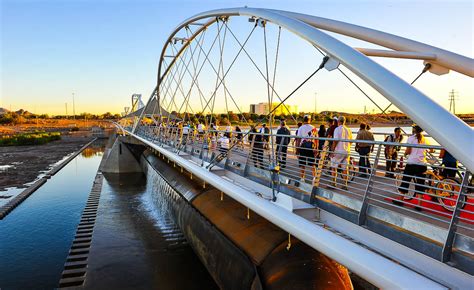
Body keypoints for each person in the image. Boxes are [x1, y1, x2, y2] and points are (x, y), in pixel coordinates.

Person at [394, 124, 434, 208]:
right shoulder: (425, 139)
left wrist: (405, 154)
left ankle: (401, 200)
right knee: (420, 183)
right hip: (422, 164)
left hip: (412, 163)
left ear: (414, 130)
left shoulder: (411, 138)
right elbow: (432, 150)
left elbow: (408, 151)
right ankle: (419, 205)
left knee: (405, 181)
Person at [330, 116, 353, 189]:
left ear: (338, 121)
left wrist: (332, 150)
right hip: (346, 151)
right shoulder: (348, 130)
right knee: (345, 168)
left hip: (338, 151)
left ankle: (334, 183)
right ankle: (345, 184)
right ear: (344, 121)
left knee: (334, 167)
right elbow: (351, 141)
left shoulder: (337, 129)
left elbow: (335, 140)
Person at [295, 115, 318, 183]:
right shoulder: (314, 128)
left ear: (303, 120)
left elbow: (298, 139)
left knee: (302, 164)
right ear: (310, 120)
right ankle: (314, 178)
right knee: (313, 164)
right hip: (311, 147)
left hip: (303, 147)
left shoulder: (301, 128)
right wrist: (316, 148)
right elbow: (316, 139)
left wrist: (297, 149)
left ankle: (302, 178)